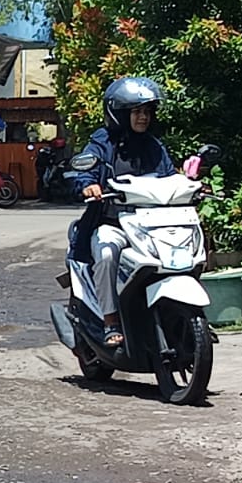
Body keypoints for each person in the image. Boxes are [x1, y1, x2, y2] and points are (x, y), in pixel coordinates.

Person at [72, 76, 175, 350]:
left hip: (152, 225)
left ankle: (181, 316)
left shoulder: (154, 146)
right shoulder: (102, 143)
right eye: (137, 112)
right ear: (119, 114)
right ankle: (110, 321)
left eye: (147, 112)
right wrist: (88, 185)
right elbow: (84, 170)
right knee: (106, 254)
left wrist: (190, 185)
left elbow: (170, 176)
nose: (143, 117)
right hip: (113, 223)